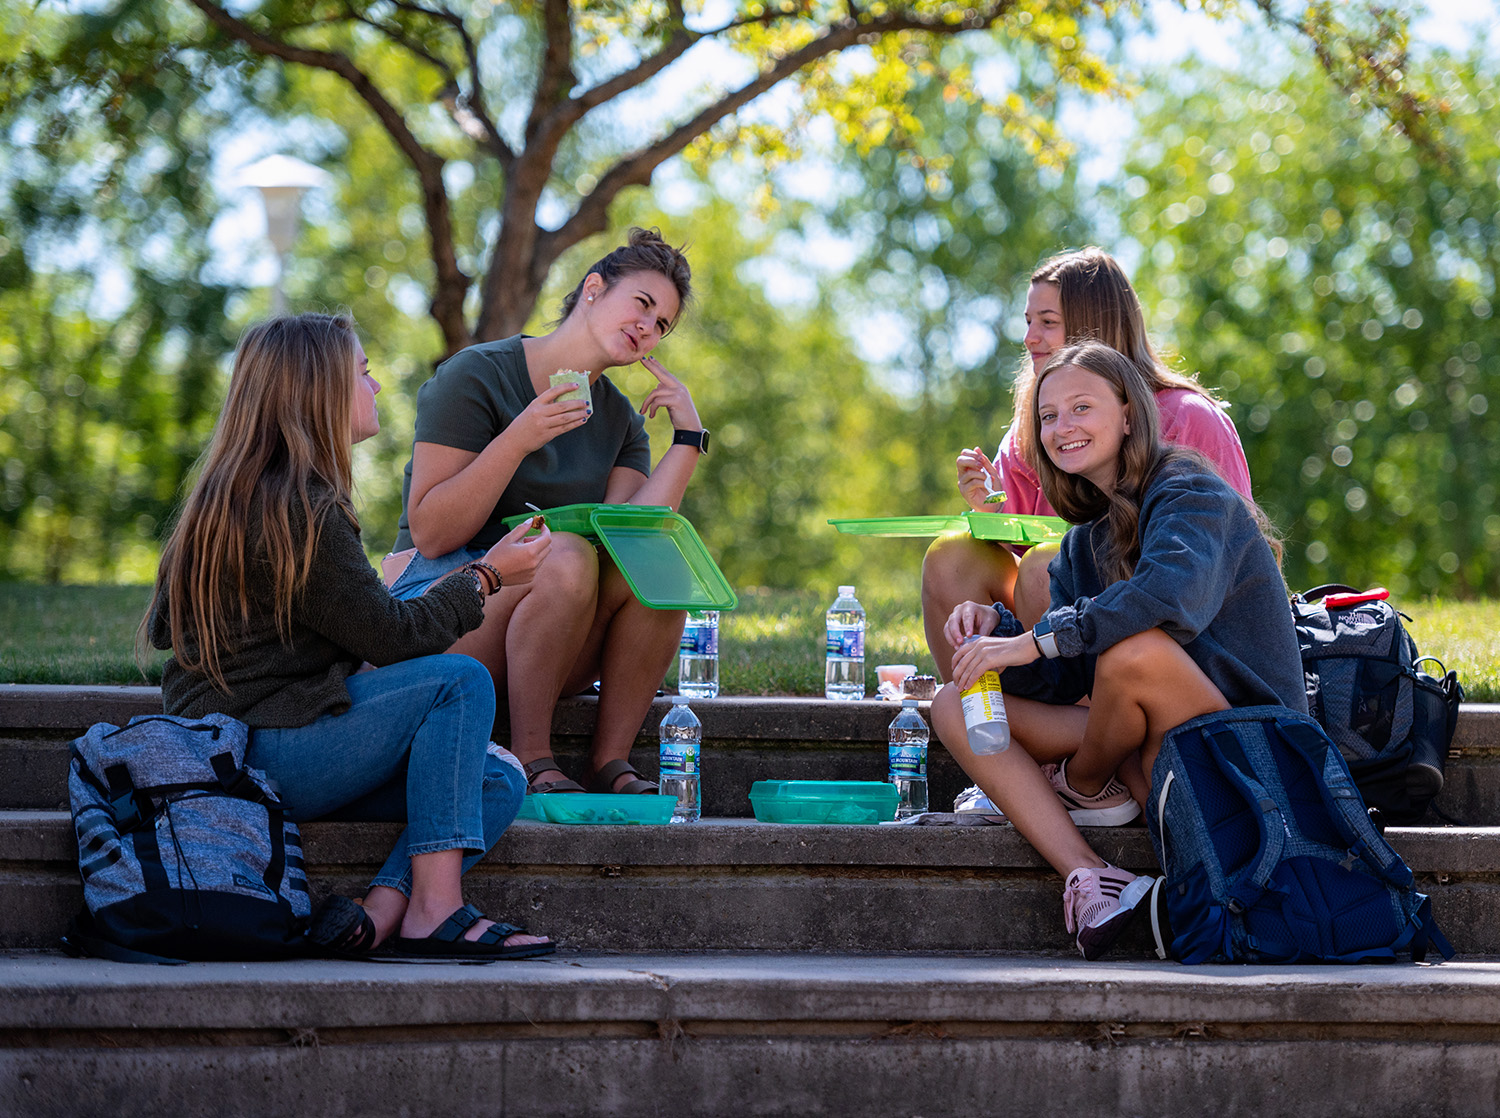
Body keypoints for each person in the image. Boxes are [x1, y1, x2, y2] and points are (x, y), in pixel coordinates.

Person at [146, 312, 556, 959]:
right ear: (320, 391)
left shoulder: (240, 495)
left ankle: (383, 912)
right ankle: (438, 909)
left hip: (258, 743)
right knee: (460, 682)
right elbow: (395, 638)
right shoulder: (299, 508)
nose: (376, 387)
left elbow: (344, 624)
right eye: (363, 373)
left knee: (495, 781)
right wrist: (487, 575)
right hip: (260, 753)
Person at [930, 341, 1306, 960]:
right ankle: (1093, 879)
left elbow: (1166, 600)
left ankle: (1085, 783)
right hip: (1157, 744)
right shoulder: (1086, 542)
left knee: (1134, 654)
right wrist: (995, 631)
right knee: (954, 701)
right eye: (1048, 416)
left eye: (1082, 407)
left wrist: (1031, 642)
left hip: (1248, 748)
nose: (1062, 427)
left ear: (1129, 414)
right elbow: (1061, 670)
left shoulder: (1192, 492)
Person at [385, 227, 705, 799]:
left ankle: (609, 760)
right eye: (642, 304)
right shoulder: (476, 375)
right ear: (593, 289)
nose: (647, 328)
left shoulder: (621, 422)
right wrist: (519, 437)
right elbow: (432, 534)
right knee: (564, 551)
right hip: (439, 616)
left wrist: (688, 436)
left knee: (659, 570)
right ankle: (532, 759)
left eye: (662, 325)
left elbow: (633, 541)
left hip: (551, 633)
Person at [921, 247, 1252, 682]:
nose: (1029, 338)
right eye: (1028, 321)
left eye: (1048, 322)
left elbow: (1232, 553)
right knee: (952, 554)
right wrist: (992, 511)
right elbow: (1012, 561)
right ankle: (980, 711)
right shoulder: (1033, 431)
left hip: (1168, 630)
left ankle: (1083, 731)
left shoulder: (1188, 417)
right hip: (1054, 635)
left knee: (1047, 565)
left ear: (1094, 329)